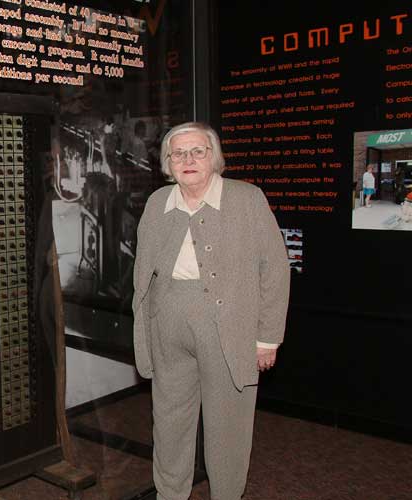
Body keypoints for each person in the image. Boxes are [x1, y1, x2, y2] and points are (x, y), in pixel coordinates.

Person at [132, 122, 290, 499]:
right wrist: (145, 332)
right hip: (167, 328)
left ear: (214, 157)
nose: (188, 160)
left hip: (227, 330)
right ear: (168, 163)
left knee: (227, 429)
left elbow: (275, 267)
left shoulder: (247, 199)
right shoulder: (158, 203)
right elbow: (142, 275)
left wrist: (267, 338)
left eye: (198, 151)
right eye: (178, 153)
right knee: (169, 425)